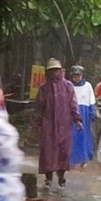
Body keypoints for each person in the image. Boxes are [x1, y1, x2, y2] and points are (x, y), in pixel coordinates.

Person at [34, 58, 82, 189]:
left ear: (61, 71)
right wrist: (38, 124)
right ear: (48, 72)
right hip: (48, 125)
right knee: (48, 151)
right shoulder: (44, 88)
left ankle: (61, 177)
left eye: (57, 70)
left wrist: (77, 119)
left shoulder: (68, 86)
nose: (55, 73)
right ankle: (48, 178)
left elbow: (73, 104)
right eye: (52, 71)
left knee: (63, 151)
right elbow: (39, 107)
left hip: (64, 124)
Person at [69, 65, 96, 169]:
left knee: (84, 136)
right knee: (72, 136)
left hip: (84, 113)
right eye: (74, 76)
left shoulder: (88, 86)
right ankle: (71, 159)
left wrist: (91, 113)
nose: (76, 78)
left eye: (78, 76)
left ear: (82, 76)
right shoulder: (69, 86)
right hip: (72, 113)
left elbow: (91, 101)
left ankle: (84, 159)